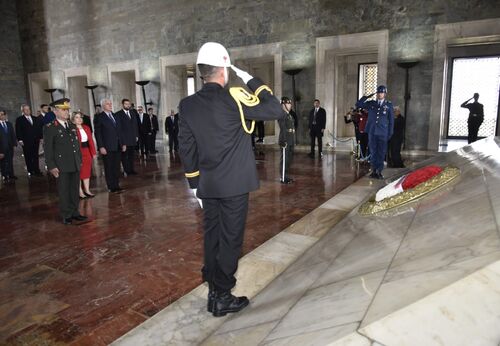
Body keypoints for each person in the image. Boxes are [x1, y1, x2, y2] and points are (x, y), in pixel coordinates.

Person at [178, 42, 285, 317]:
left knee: (212, 236)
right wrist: (252, 80)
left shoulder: (187, 104)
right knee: (230, 240)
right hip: (234, 184)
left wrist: (194, 185)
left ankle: (214, 289)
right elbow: (275, 109)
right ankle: (222, 295)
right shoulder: (235, 97)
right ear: (223, 70)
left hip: (208, 185)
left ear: (203, 72)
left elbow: (186, 147)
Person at [43, 99, 87, 225]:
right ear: (56, 111)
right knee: (64, 190)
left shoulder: (72, 126)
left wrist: (79, 160)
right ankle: (66, 214)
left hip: (74, 163)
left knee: (74, 189)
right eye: (63, 109)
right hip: (61, 165)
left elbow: (76, 146)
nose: (67, 112)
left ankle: (75, 212)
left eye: (67, 109)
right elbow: (48, 149)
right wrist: (51, 166)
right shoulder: (50, 127)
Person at [356, 85, 394, 179]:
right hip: (372, 132)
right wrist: (367, 97)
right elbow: (358, 104)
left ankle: (379, 171)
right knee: (373, 152)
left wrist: (389, 133)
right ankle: (373, 170)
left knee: (381, 152)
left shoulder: (388, 105)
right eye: (378, 92)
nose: (380, 94)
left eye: (381, 92)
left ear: (384, 94)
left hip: (383, 132)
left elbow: (391, 121)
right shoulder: (371, 103)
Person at [94, 98, 126, 193]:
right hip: (107, 147)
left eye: (111, 103)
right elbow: (98, 133)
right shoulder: (99, 117)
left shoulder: (115, 116)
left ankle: (116, 185)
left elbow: (120, 131)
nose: (110, 105)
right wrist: (101, 146)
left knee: (116, 167)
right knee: (109, 167)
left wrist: (123, 143)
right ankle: (111, 186)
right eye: (108, 104)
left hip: (117, 145)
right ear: (103, 106)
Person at [71, 111, 96, 198]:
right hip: (77, 152)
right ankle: (80, 191)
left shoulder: (86, 127)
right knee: (79, 172)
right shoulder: (72, 128)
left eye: (80, 117)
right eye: (77, 117)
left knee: (87, 171)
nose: (79, 119)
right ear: (73, 119)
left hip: (86, 151)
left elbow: (91, 141)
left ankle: (87, 190)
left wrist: (93, 152)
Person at [15, 104, 43, 176]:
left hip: (35, 140)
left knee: (35, 155)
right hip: (26, 141)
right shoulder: (19, 119)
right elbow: (18, 130)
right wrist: (20, 140)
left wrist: (41, 137)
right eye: (26, 109)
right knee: (28, 156)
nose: (28, 111)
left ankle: (37, 170)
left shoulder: (35, 118)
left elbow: (38, 129)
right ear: (23, 111)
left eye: (29, 109)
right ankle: (30, 170)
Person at [116, 99, 139, 175]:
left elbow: (135, 125)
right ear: (122, 104)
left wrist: (136, 135)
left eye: (128, 104)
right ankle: (126, 170)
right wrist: (122, 142)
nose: (128, 105)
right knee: (125, 156)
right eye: (126, 104)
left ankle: (131, 169)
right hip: (124, 139)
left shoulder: (133, 113)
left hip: (132, 138)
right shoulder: (118, 114)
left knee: (132, 156)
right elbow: (119, 129)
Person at [278, 97, 296, 184]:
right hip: (285, 140)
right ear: (283, 105)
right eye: (288, 103)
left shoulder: (288, 114)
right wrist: (284, 140)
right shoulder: (282, 115)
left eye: (290, 103)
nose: (290, 105)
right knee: (284, 160)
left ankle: (286, 175)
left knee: (288, 159)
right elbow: (283, 128)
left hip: (290, 139)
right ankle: (283, 177)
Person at [0, 110, 17, 181]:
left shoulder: (9, 124)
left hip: (10, 146)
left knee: (10, 161)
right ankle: (4, 175)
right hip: (1, 148)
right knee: (2, 162)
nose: (2, 116)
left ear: (5, 115)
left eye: (3, 114)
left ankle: (11, 174)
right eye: (0, 114)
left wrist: (14, 144)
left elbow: (13, 134)